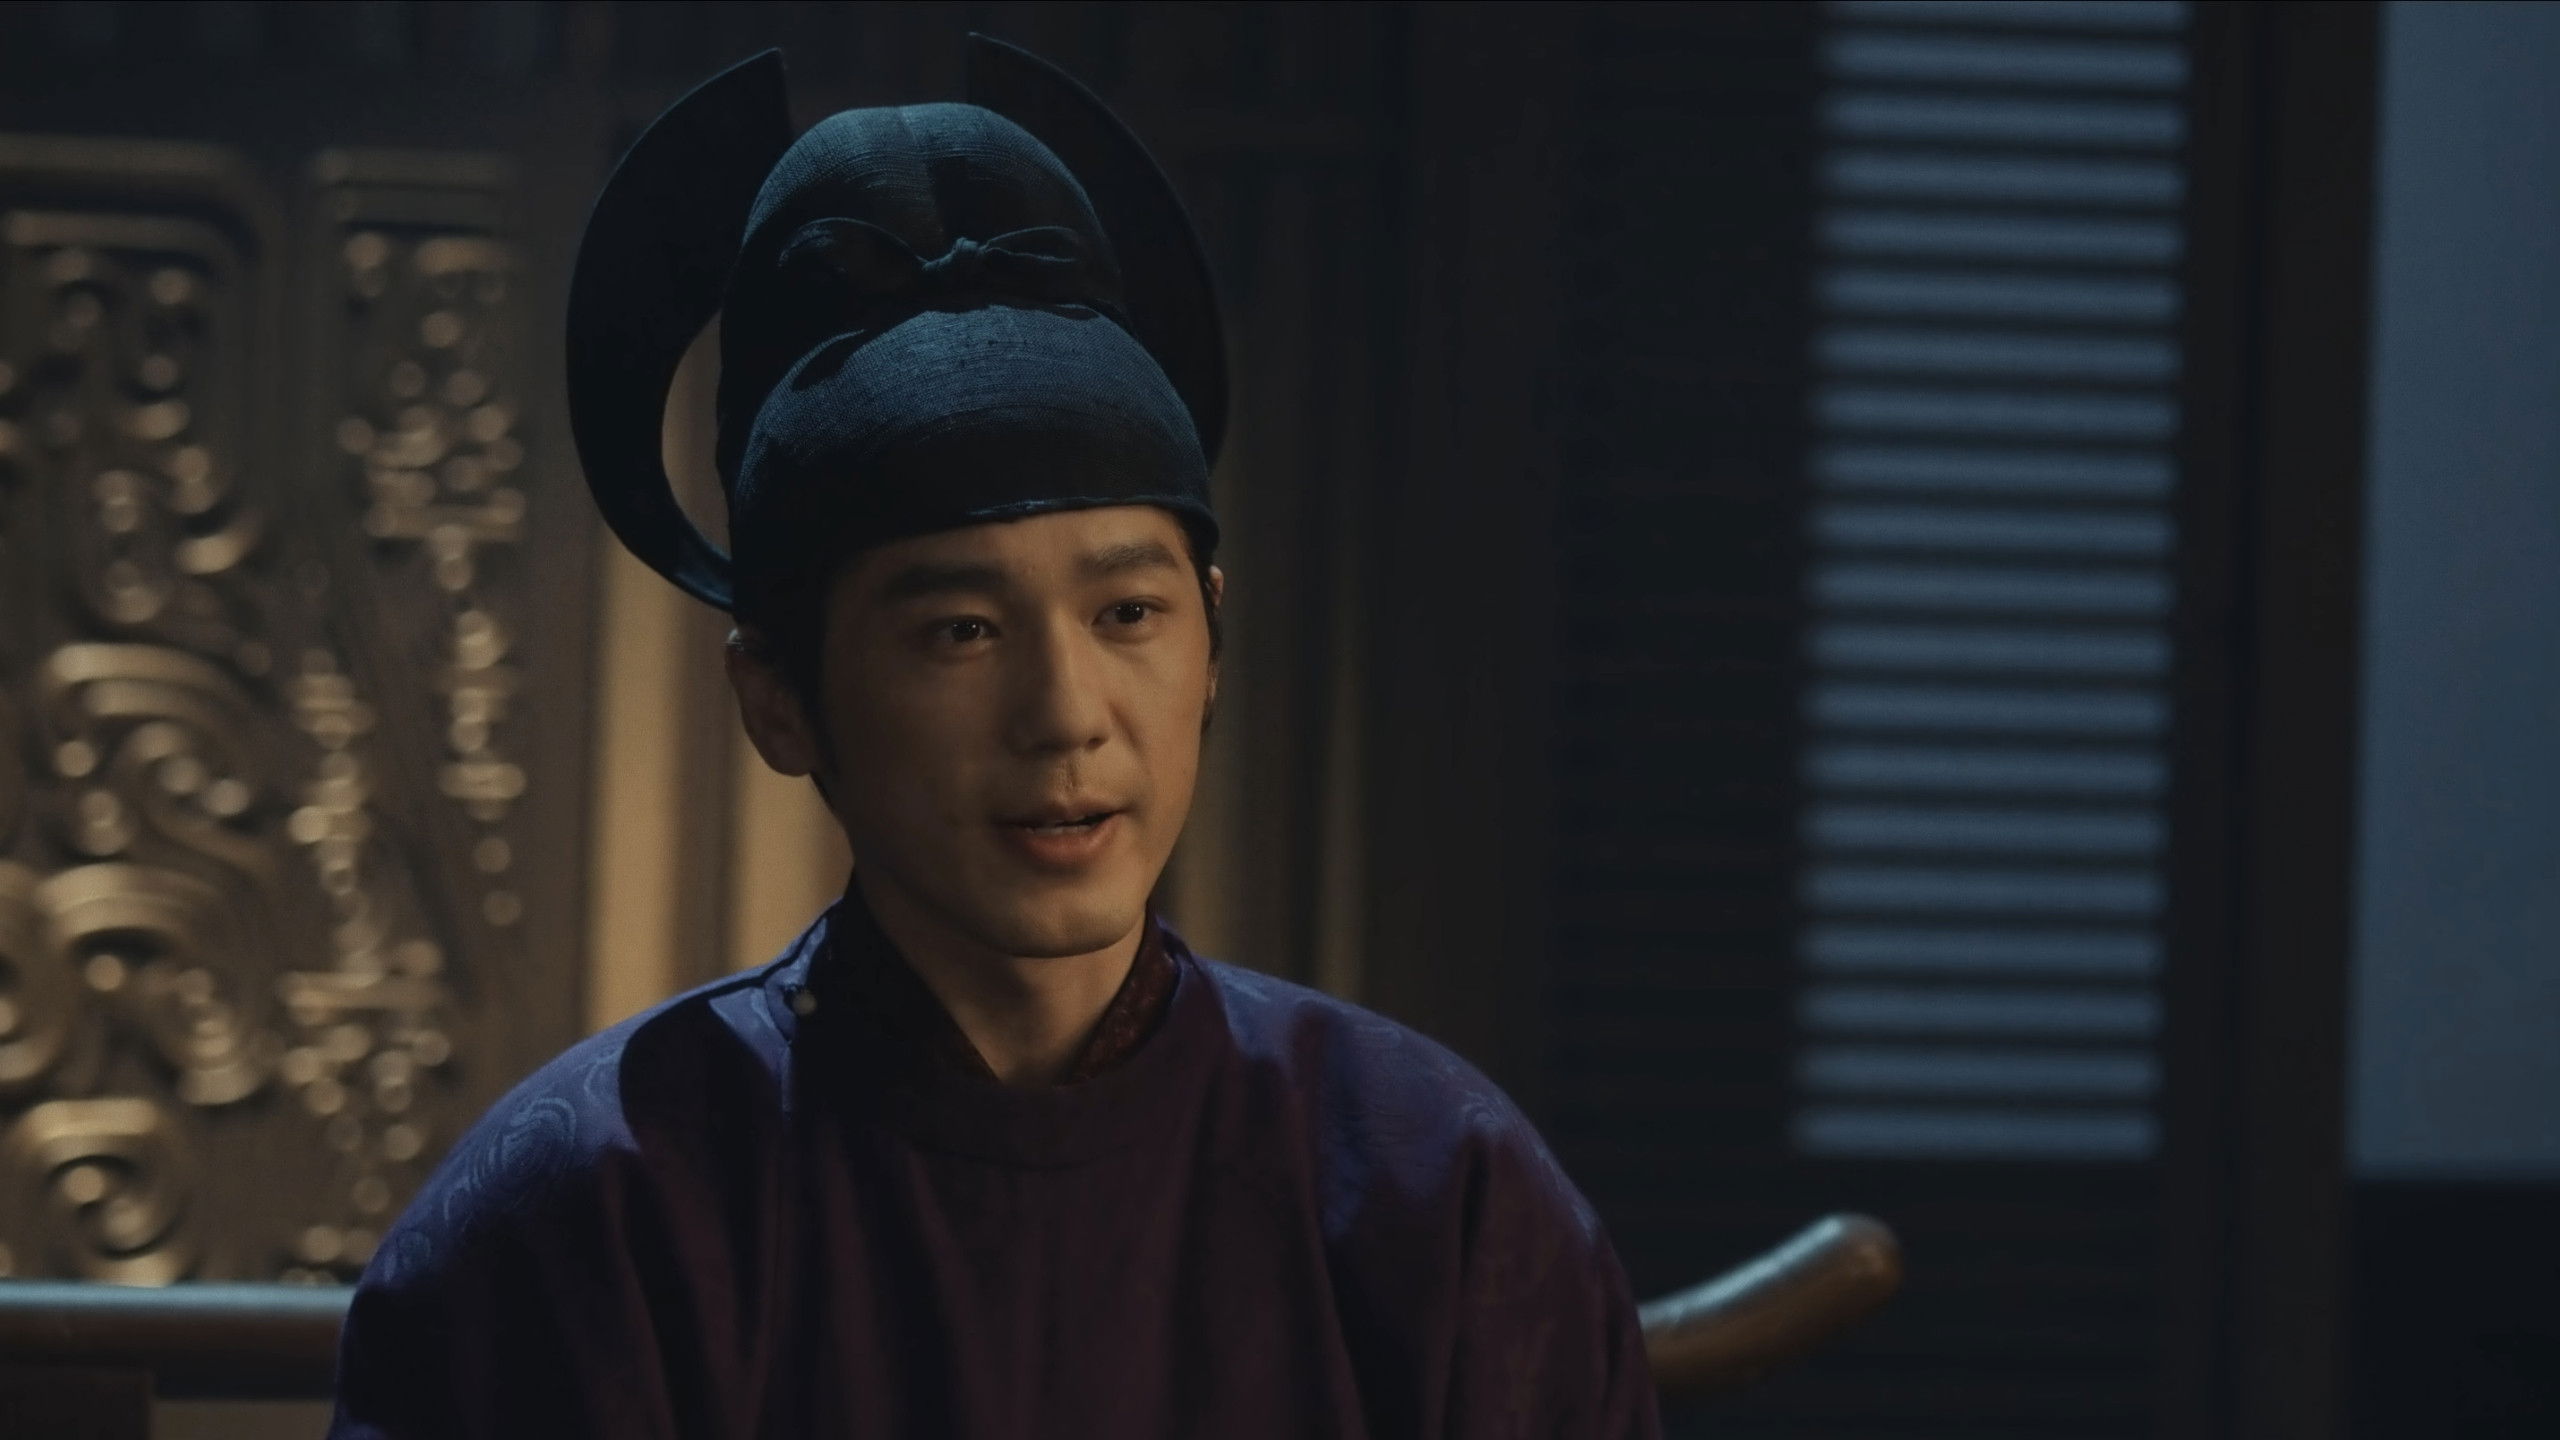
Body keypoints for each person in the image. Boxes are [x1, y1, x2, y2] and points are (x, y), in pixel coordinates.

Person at [328, 37, 1662, 1440]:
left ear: (1211, 639)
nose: (1068, 713)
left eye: (1129, 613)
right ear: (778, 699)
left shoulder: (1437, 1195)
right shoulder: (591, 1214)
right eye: (961, 630)